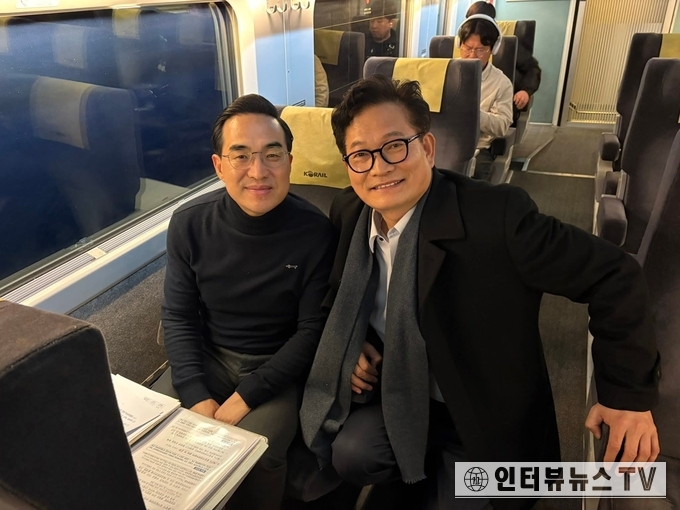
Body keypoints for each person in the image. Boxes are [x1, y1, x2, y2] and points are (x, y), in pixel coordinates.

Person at [299, 75, 661, 510]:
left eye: (395, 145)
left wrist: (626, 398)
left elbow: (615, 274)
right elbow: (340, 292)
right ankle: (413, 468)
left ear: (427, 148)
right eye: (361, 154)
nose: (379, 167)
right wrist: (354, 343)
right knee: (352, 454)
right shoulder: (350, 212)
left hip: (481, 412)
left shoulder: (495, 217)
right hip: (399, 396)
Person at [161, 94, 336, 510]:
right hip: (208, 356)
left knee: (257, 454)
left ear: (290, 162)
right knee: (161, 433)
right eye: (241, 156)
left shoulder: (316, 232)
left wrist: (246, 396)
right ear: (219, 166)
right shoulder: (189, 224)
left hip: (276, 366)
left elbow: (312, 331)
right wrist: (196, 393)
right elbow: (179, 316)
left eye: (272, 155)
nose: (258, 171)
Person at [458, 14, 513, 181]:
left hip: (478, 147)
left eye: (480, 50)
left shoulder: (502, 83)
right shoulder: (445, 72)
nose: (472, 55)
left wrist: (474, 114)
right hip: (441, 142)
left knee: (476, 183)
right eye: (467, 48)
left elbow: (502, 125)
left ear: (493, 50)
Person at [466, 1, 542, 122]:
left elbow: (532, 69)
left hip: (499, 105)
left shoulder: (508, 46)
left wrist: (525, 91)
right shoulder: (461, 45)